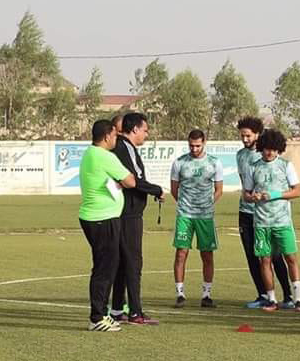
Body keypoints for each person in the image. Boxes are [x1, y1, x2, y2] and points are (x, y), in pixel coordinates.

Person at [79, 119, 136, 331]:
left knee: (103, 266)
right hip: (102, 219)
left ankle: (101, 313)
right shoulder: (104, 156)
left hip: (94, 217)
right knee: (105, 268)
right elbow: (130, 180)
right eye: (114, 135)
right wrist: (121, 180)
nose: (116, 138)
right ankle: (97, 317)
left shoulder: (90, 153)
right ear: (106, 136)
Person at [109, 112, 164, 325]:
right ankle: (135, 312)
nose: (146, 134)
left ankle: (116, 310)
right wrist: (157, 190)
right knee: (133, 262)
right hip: (128, 213)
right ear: (134, 130)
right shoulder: (125, 148)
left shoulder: (124, 148)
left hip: (125, 211)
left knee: (123, 262)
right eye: (145, 130)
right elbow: (134, 180)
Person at [242, 129, 300, 312]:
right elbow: (246, 194)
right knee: (265, 260)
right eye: (267, 149)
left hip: (282, 222)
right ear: (261, 148)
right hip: (261, 222)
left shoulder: (286, 166)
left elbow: (297, 191)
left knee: (290, 258)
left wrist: (275, 195)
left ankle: (298, 299)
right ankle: (271, 300)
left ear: (279, 149)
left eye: (274, 149)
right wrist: (252, 198)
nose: (270, 153)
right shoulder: (253, 167)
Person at [171, 129, 223, 308]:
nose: (194, 149)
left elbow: (219, 190)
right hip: (185, 215)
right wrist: (186, 205)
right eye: (191, 146)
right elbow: (174, 189)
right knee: (181, 253)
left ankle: (206, 295)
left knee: (207, 254)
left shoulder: (214, 163)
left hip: (206, 216)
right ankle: (180, 294)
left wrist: (208, 204)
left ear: (204, 143)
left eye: (198, 146)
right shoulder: (179, 163)